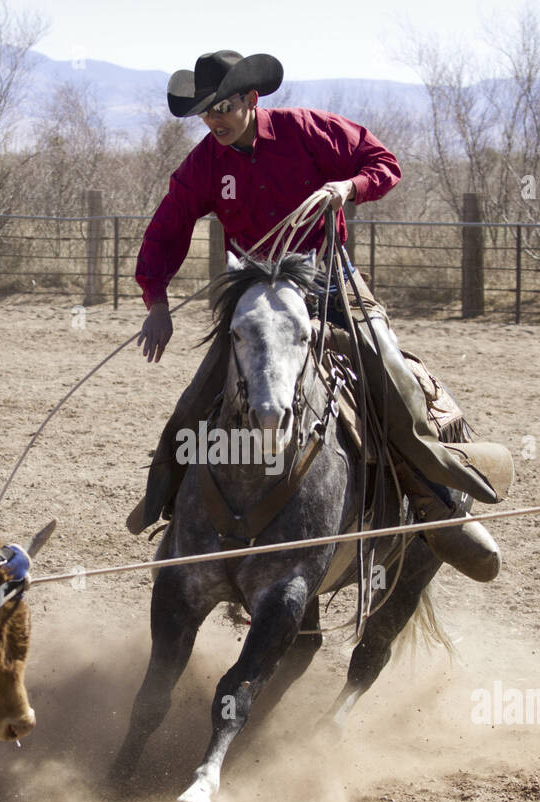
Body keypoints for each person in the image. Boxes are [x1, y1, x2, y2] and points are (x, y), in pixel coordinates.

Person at [128, 50, 508, 580]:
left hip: (331, 281)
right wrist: (157, 302)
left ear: (250, 99)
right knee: (200, 394)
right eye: (207, 111)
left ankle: (435, 501)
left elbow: (384, 164)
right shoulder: (205, 165)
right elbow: (167, 228)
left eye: (224, 107)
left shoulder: (307, 131)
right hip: (258, 294)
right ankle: (170, 504)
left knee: (389, 374)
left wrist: (347, 187)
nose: (214, 120)